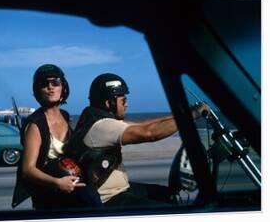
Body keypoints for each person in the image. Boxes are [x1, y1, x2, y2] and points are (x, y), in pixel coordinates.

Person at [65, 73, 208, 208]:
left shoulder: (97, 120)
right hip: (110, 199)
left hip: (120, 189)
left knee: (167, 193)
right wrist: (192, 116)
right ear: (109, 103)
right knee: (168, 211)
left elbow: (143, 125)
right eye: (123, 100)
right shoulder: (102, 127)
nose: (126, 104)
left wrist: (184, 113)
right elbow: (149, 132)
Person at [11, 64, 102, 211]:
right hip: (50, 192)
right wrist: (57, 183)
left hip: (72, 183)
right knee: (90, 199)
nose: (50, 87)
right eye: (44, 84)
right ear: (37, 91)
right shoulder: (35, 125)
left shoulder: (65, 116)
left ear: (63, 88)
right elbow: (28, 170)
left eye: (55, 83)